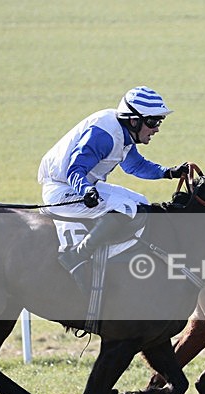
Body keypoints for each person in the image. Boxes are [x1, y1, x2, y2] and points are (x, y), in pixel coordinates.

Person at [38, 85, 189, 293]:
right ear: (134, 120)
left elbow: (135, 165)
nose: (157, 128)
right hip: (63, 189)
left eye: (159, 121)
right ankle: (76, 256)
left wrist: (168, 172)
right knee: (127, 208)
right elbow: (75, 169)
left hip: (83, 185)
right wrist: (86, 191)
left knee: (141, 202)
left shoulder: (123, 132)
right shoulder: (105, 135)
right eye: (152, 121)